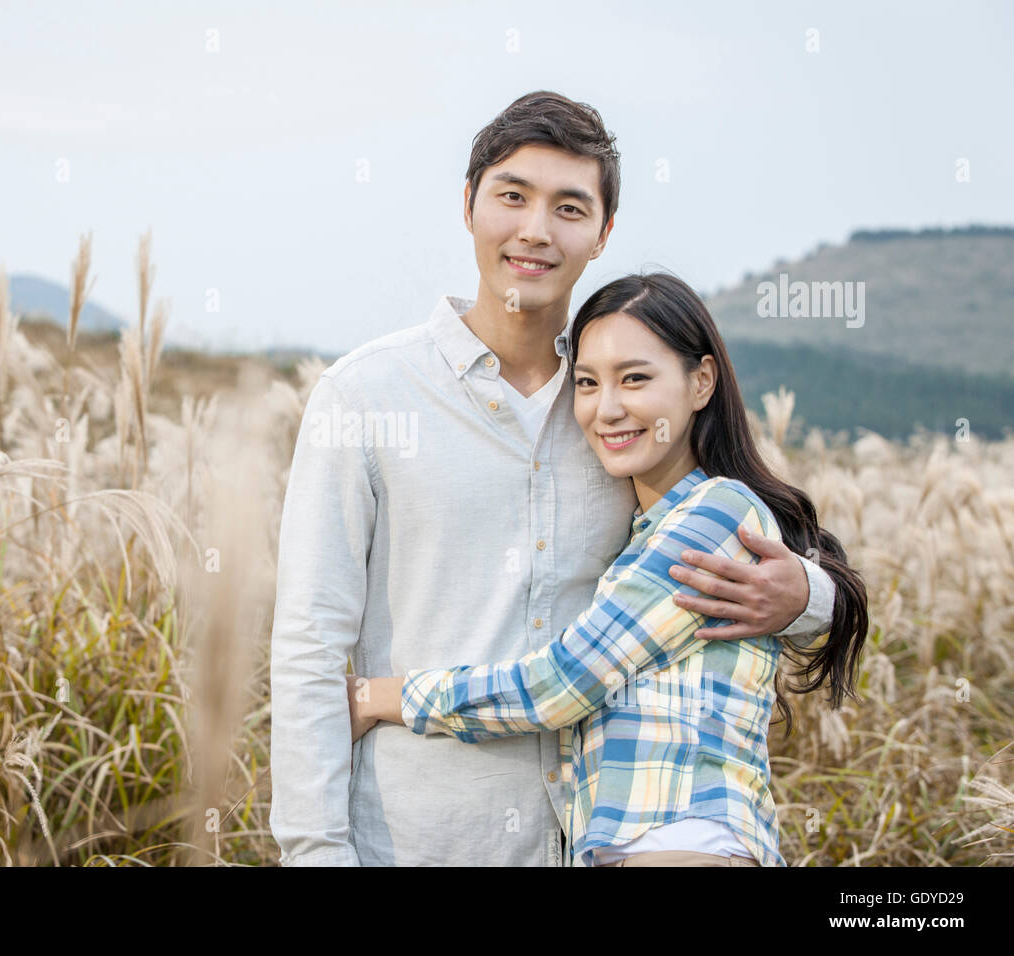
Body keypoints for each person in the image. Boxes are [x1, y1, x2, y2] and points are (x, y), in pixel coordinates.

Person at [270, 91, 847, 867]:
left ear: (603, 232)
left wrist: (806, 596)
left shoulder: (622, 417)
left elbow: (763, 554)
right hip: (415, 843)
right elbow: (310, 647)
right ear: (469, 204)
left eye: (569, 207)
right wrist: (315, 853)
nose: (536, 230)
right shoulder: (365, 397)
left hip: (589, 846)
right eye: (512, 195)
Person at [347, 272, 868, 866]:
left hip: (684, 843)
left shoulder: (715, 514)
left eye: (636, 379)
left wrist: (381, 695)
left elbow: (559, 686)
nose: (608, 408)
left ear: (701, 382)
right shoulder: (644, 533)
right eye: (588, 383)